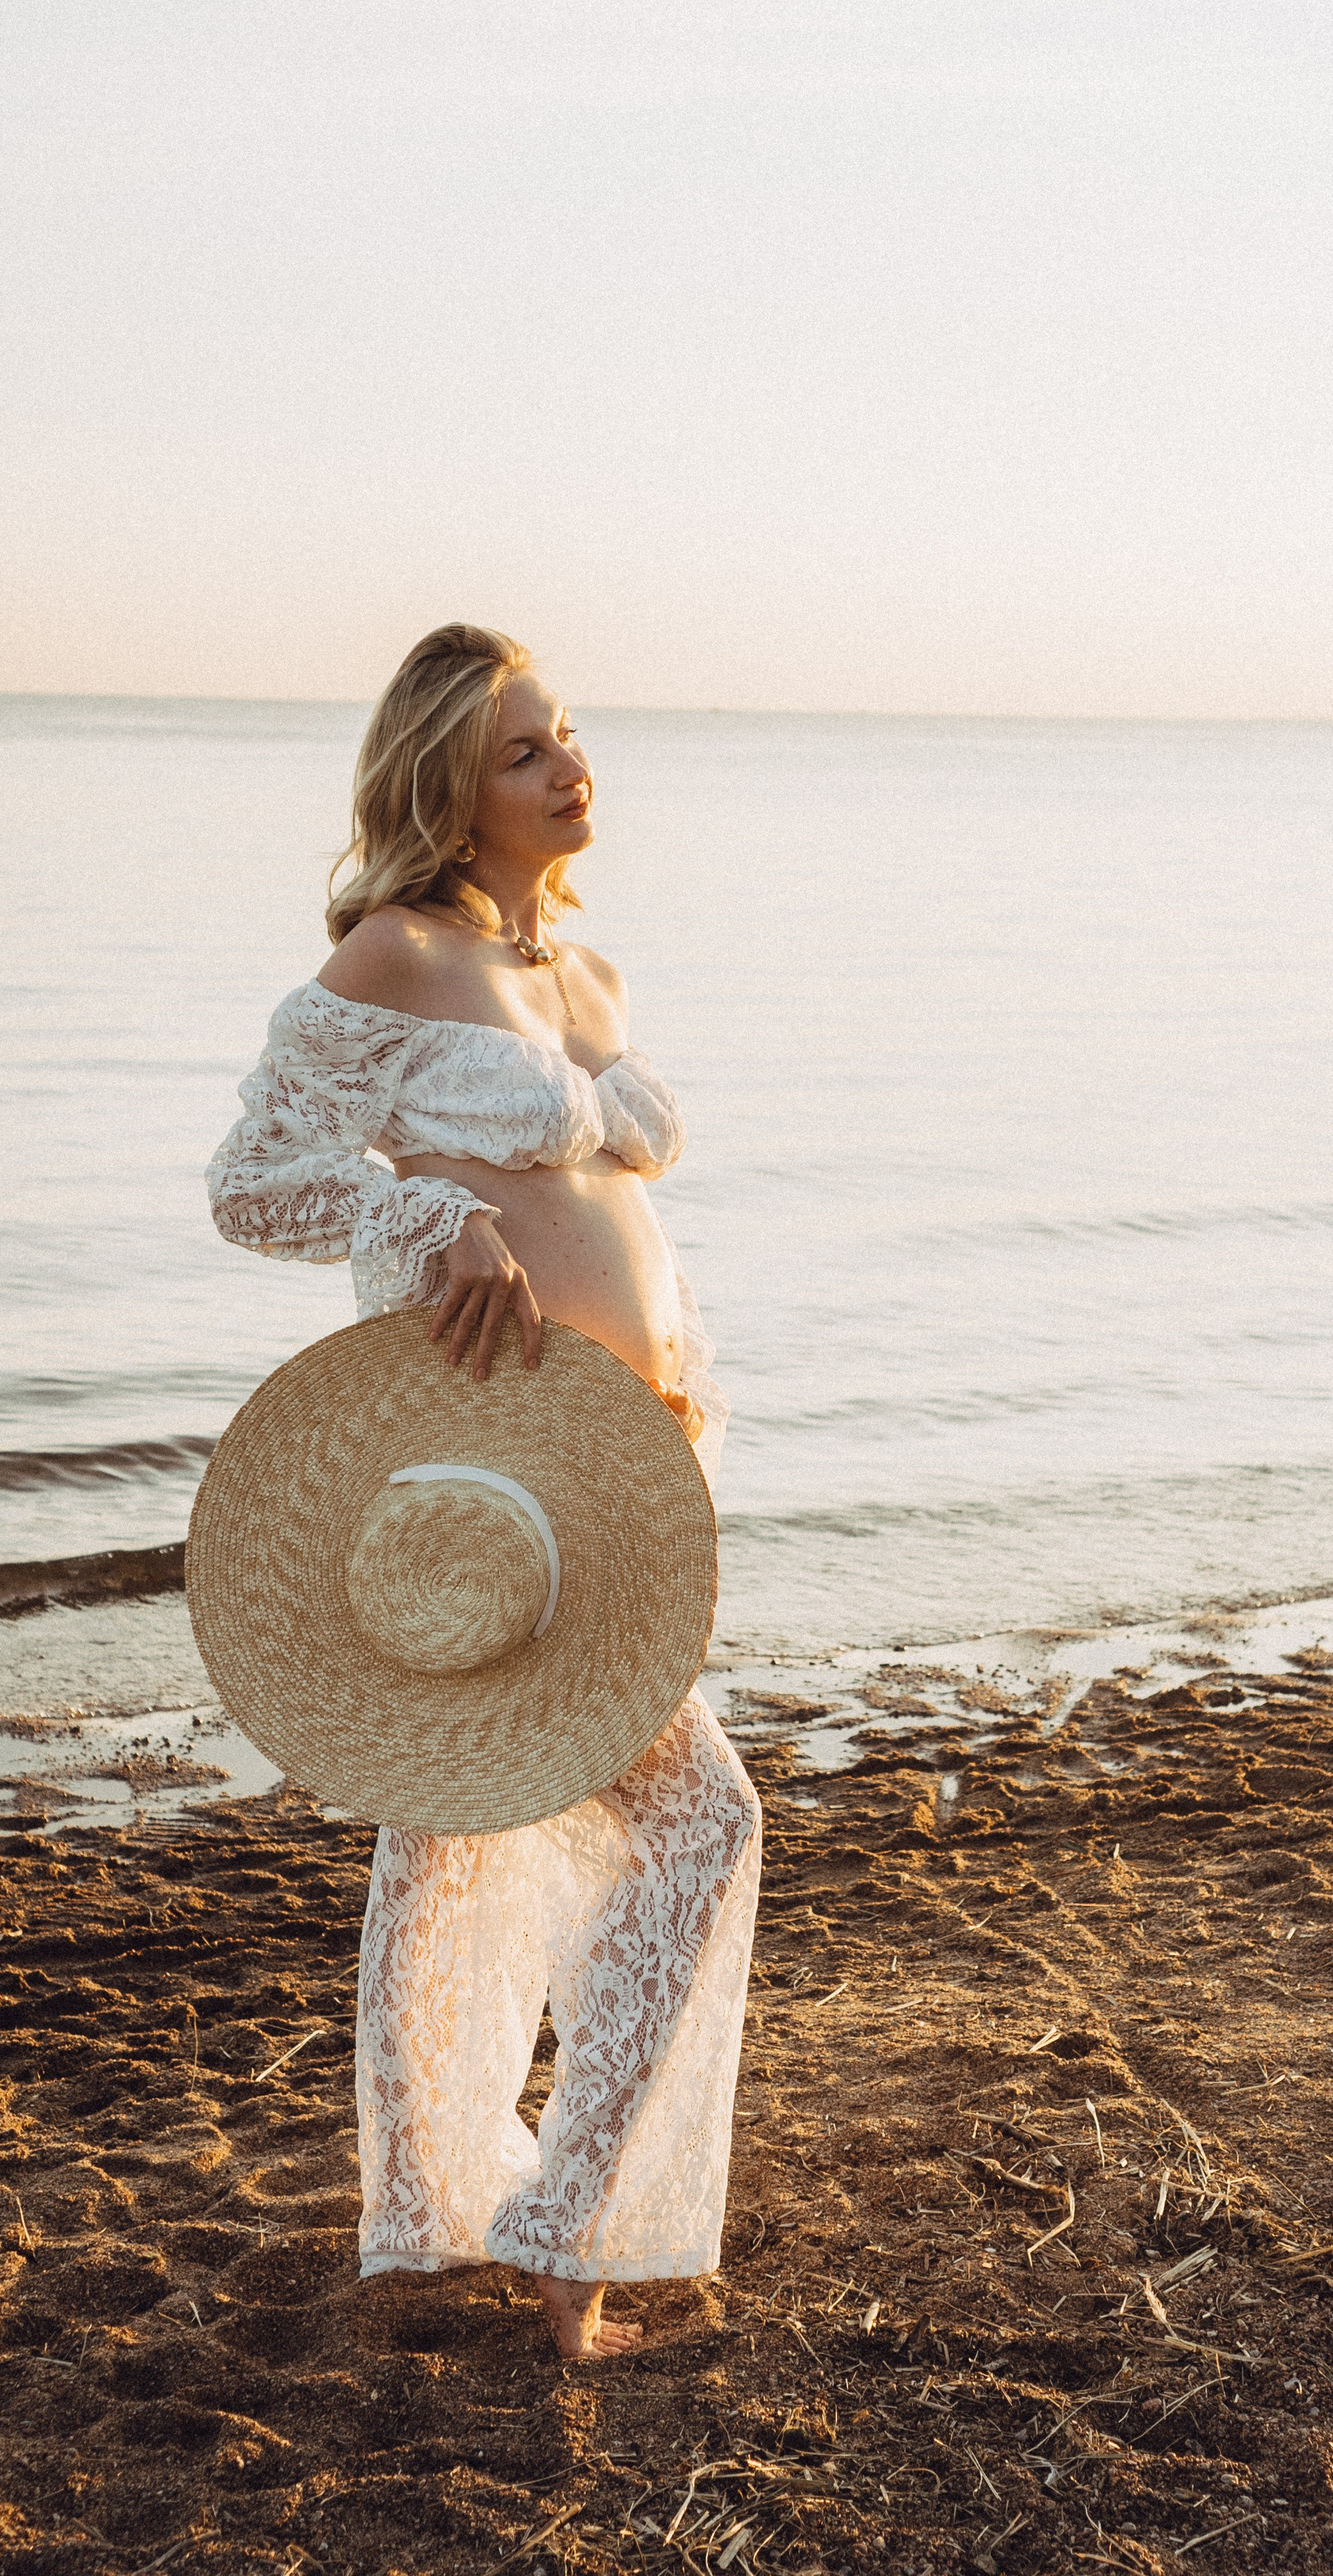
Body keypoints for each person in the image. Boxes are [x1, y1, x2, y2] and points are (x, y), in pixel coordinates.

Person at [205, 623, 761, 2359]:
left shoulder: (582, 979)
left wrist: (675, 1372)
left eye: (566, 734)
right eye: (524, 751)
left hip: (620, 1456)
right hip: (491, 1465)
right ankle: (567, 2243)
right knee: (699, 1822)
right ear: (450, 786)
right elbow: (253, 1182)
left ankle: (436, 2219)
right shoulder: (397, 952)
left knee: (452, 1833)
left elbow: (605, 1210)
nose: (567, 766)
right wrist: (424, 1216)